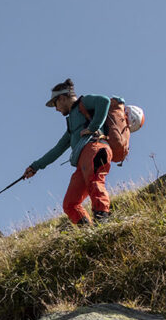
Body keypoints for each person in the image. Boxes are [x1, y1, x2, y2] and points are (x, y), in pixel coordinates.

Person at [24, 78, 114, 226]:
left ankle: (104, 223)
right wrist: (35, 166)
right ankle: (89, 232)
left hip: (94, 148)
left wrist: (93, 127)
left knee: (95, 182)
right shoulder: (72, 124)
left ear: (62, 98)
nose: (56, 108)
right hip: (82, 161)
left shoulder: (84, 103)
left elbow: (104, 101)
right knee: (70, 204)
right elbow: (58, 149)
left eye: (55, 104)